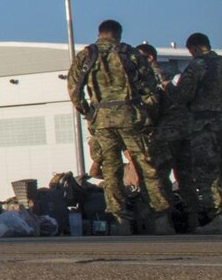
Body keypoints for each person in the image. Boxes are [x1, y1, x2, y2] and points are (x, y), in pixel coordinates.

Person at [67, 19, 172, 234]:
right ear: (119, 34)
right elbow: (150, 90)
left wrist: (89, 112)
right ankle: (160, 218)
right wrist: (148, 115)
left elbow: (74, 90)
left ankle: (120, 220)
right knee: (146, 165)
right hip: (130, 116)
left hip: (102, 120)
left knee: (111, 170)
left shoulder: (86, 55)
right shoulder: (130, 54)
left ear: (99, 33)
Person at [180, 33, 222, 233]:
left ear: (193, 48)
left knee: (208, 172)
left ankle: (219, 217)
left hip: (203, 124)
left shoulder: (197, 66)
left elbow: (184, 95)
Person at [139, 43, 199, 227]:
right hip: (186, 131)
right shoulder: (168, 75)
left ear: (149, 58)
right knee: (186, 177)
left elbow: (153, 104)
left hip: (166, 132)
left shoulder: (151, 76)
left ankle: (163, 219)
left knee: (158, 175)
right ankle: (193, 218)